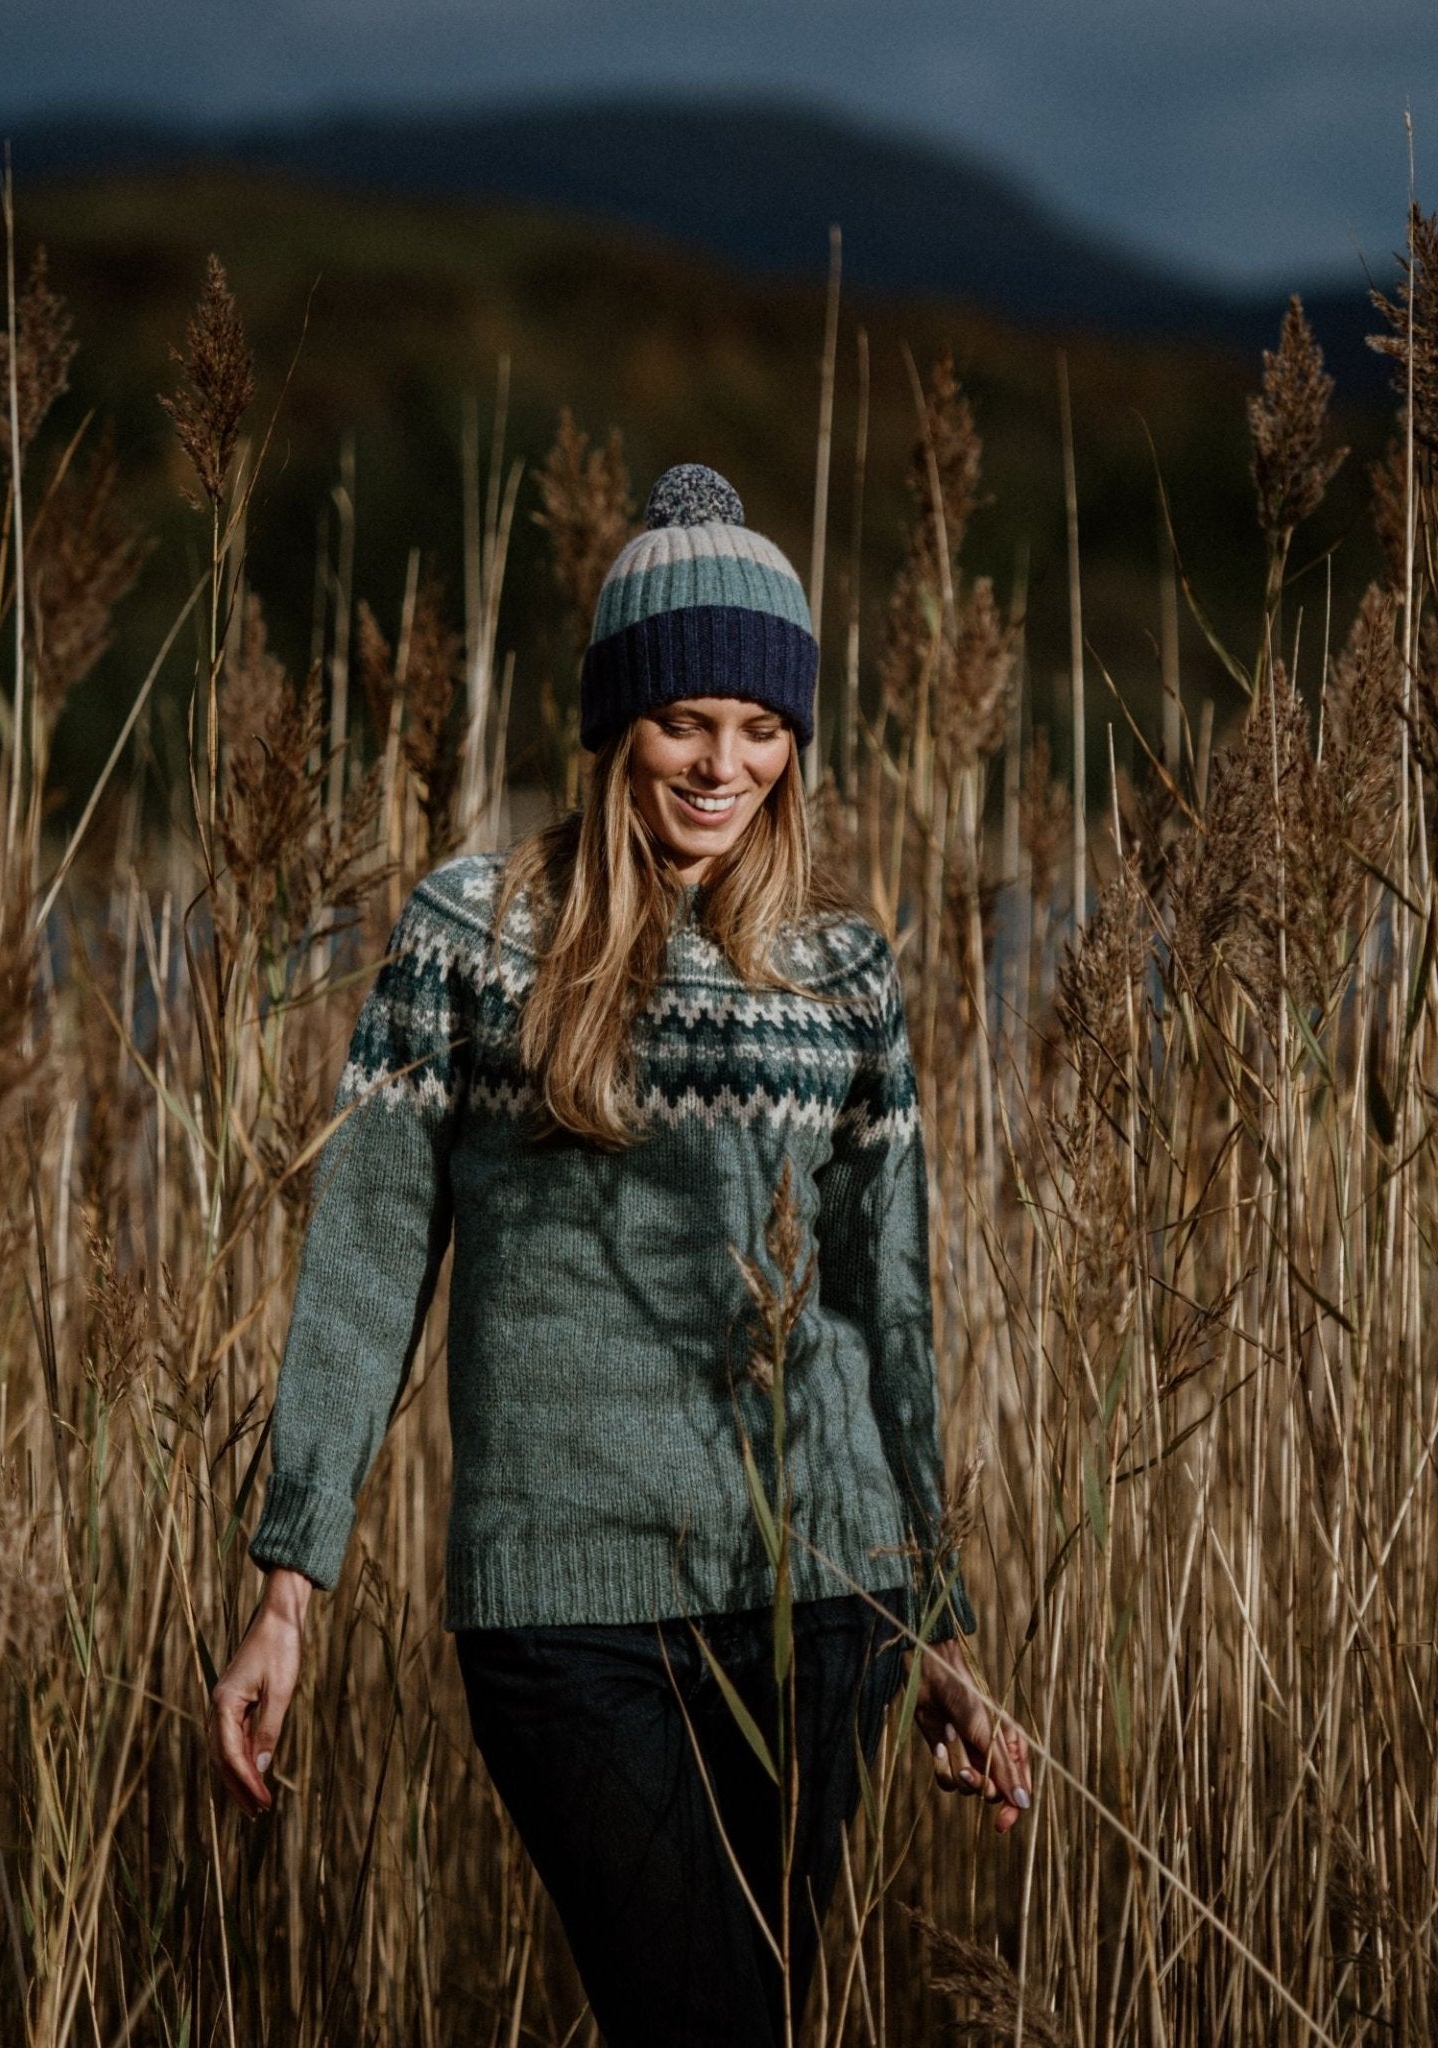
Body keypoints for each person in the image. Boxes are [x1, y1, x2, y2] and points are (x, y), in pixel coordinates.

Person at [209, 462, 1031, 2045]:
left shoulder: (844, 973)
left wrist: (937, 1626)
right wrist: (287, 1590)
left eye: (764, 729)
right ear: (616, 724)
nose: (726, 765)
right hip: (566, 1618)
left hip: (820, 1611)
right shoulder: (469, 936)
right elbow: (370, 1261)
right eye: (687, 720)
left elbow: (885, 1305)